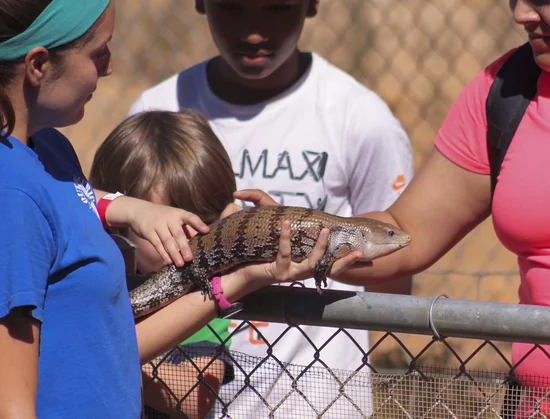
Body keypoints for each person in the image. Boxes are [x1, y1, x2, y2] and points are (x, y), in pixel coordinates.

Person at [0, 1, 359, 417]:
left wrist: (126, 208)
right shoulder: (9, 194)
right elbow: (8, 405)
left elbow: (65, 206)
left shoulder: (50, 150)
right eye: (98, 53)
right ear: (38, 64)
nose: (111, 67)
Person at [237, 0, 550, 417]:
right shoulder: (508, 87)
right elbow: (406, 231)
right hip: (543, 406)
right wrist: (292, 230)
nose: (521, 15)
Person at [128, 0, 414, 416]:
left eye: (278, 8)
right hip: (185, 385)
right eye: (232, 8)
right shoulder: (159, 110)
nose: (254, 31)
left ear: (312, 5)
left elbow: (392, 281)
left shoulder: (360, 117)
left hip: (318, 401)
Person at [89, 109, 242, 418]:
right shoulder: (86, 283)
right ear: (119, 224)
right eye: (166, 228)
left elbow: (194, 395)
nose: (188, 241)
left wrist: (90, 355)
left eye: (204, 225)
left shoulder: (200, 294)